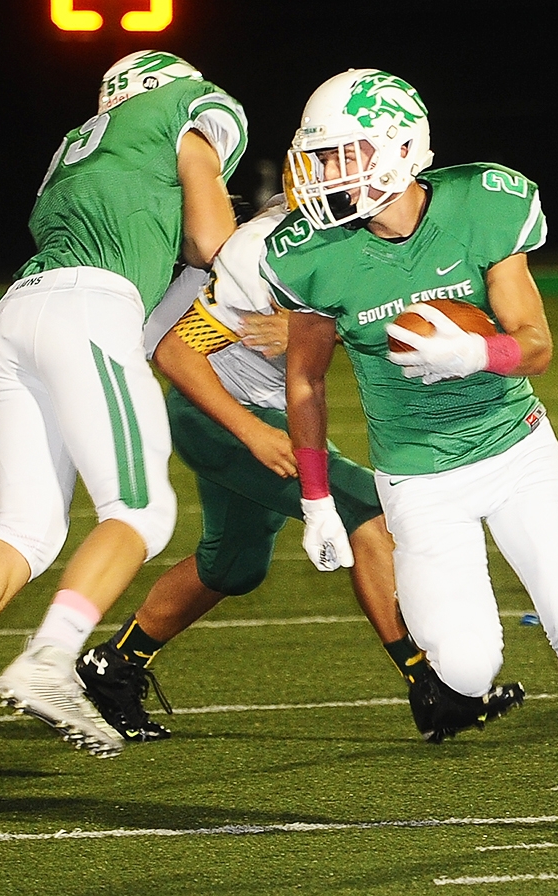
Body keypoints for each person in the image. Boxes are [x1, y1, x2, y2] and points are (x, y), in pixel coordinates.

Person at [269, 69, 558, 835]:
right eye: (322, 157)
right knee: (465, 666)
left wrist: (478, 354)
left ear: (401, 147)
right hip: (419, 482)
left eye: (346, 153)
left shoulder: (481, 203)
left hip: (516, 454)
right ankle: (469, 665)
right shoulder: (311, 253)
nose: (328, 174)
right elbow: (305, 380)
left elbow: (536, 344)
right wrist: (315, 499)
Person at [0, 50, 247, 782]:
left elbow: (163, 301)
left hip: (19, 313)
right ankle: (49, 658)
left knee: (25, 530)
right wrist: (259, 253)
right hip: (87, 308)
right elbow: (212, 244)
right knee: (141, 511)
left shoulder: (78, 151)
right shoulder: (184, 109)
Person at [76, 185, 523, 743]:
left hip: (259, 414)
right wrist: (253, 431)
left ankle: (115, 663)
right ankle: (430, 684)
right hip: (225, 418)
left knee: (233, 566)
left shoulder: (363, 237)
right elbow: (174, 351)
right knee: (366, 510)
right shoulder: (265, 248)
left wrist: (316, 330)